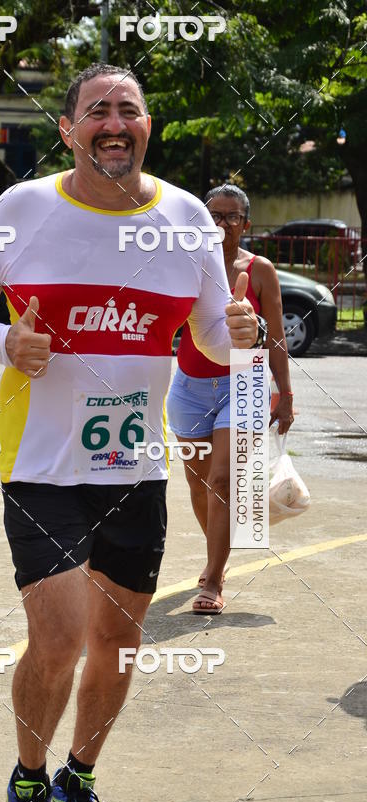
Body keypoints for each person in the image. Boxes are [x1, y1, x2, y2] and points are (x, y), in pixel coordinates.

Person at [0, 64, 259, 802]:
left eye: (128, 110)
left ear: (147, 126)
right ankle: (29, 782)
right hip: (42, 464)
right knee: (59, 640)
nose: (113, 123)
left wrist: (241, 332)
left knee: (117, 642)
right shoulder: (25, 209)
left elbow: (213, 340)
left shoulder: (187, 219)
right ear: (69, 129)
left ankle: (80, 779)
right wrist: (5, 342)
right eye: (97, 111)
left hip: (134, 468)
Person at [167, 183, 293, 615]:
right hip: (188, 384)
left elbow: (275, 339)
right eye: (212, 215)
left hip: (246, 382)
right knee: (199, 484)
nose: (220, 223)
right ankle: (215, 553)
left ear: (246, 224)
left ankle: (215, 577)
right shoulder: (184, 263)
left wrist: (286, 395)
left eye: (230, 217)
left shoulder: (259, 271)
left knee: (223, 481)